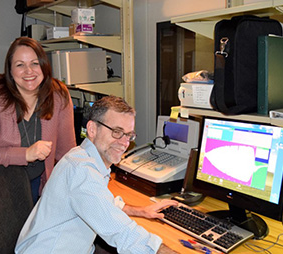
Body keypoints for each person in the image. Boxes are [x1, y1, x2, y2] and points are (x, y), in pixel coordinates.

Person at [15, 95, 179, 254]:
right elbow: (124, 234)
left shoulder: (83, 157)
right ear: (92, 129)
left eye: (129, 135)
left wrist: (142, 211)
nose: (124, 143)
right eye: (116, 131)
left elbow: (101, 204)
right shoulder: (81, 171)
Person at [0, 37, 76, 203]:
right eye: (20, 65)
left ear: (44, 65)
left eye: (35, 63)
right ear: (10, 71)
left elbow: (67, 154)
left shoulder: (58, 96)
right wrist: (24, 154)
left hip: (38, 186)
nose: (29, 71)